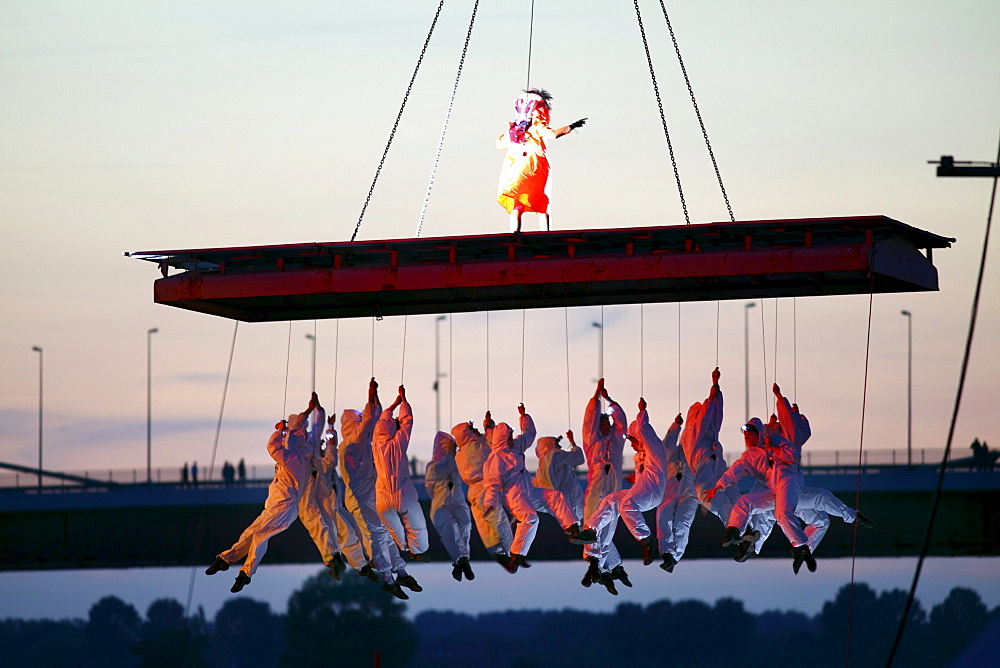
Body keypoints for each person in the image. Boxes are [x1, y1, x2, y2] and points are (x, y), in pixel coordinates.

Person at [206, 397, 317, 592]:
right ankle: (225, 559)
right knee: (251, 533)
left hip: (284, 504)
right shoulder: (299, 454)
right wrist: (304, 415)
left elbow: (273, 447)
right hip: (274, 503)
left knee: (259, 536)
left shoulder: (295, 459)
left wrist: (281, 429)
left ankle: (245, 574)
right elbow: (291, 438)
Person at [579, 398, 668, 595]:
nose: (632, 444)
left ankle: (645, 539)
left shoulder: (653, 447)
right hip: (635, 489)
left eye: (633, 440)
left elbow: (642, 429)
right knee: (610, 501)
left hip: (652, 492)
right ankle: (593, 536)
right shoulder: (639, 455)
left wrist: (641, 411)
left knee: (626, 504)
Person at [705, 417, 816, 574]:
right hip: (768, 488)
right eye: (746, 435)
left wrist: (791, 414)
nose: (748, 438)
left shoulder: (776, 441)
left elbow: (797, 441)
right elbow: (734, 470)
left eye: (751, 434)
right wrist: (718, 486)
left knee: (789, 515)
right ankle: (739, 534)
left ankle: (801, 549)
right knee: (749, 505)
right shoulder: (750, 456)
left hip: (790, 485)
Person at [339, 378, 417, 600]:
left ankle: (400, 572)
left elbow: (373, 421)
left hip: (371, 498)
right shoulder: (351, 445)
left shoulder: (361, 444)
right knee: (378, 536)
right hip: (360, 501)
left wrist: (390, 406)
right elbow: (370, 421)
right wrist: (371, 394)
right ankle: (388, 579)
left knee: (387, 535)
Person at [496, 88, 586, 232]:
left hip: (515, 170)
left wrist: (506, 133)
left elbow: (499, 144)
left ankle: (515, 233)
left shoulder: (515, 130)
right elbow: (553, 134)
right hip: (535, 167)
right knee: (542, 203)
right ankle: (545, 233)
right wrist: (571, 126)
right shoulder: (537, 127)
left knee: (518, 204)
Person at [372, 385, 430, 565]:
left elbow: (383, 422)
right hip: (401, 492)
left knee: (394, 528)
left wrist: (393, 405)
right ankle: (418, 551)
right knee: (416, 524)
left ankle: (403, 547)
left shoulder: (376, 442)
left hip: (382, 497)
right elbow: (407, 421)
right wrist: (403, 401)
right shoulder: (398, 443)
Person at [579, 379, 628, 588]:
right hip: (598, 483)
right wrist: (596, 397)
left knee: (609, 526)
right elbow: (588, 420)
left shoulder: (617, 441)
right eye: (603, 422)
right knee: (591, 522)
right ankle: (597, 564)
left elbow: (622, 423)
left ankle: (596, 566)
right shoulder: (592, 442)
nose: (607, 425)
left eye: (608, 422)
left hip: (614, 486)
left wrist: (610, 401)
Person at [483, 404, 538, 573]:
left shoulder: (517, 445)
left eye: (512, 434)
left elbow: (530, 434)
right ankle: (515, 555)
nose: (511, 438)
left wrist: (523, 416)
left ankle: (572, 527)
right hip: (513, 494)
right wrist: (490, 503)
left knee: (554, 498)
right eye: (508, 435)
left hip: (527, 488)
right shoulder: (496, 458)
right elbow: (491, 483)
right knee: (530, 518)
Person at [452, 413, 514, 561]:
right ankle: (513, 552)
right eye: (471, 429)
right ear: (467, 434)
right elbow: (494, 445)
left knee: (485, 525)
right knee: (500, 520)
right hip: (485, 488)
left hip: (473, 492)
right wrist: (490, 427)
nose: (476, 430)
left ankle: (498, 551)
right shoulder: (475, 446)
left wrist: (486, 429)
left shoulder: (460, 453)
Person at [320, 413, 374, 579]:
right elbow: (329, 461)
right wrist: (330, 442)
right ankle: (361, 566)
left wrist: (330, 428)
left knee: (360, 530)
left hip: (339, 506)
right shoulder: (314, 464)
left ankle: (371, 559)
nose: (324, 446)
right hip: (330, 509)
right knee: (348, 536)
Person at [425, 431, 474, 581]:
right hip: (441, 502)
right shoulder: (433, 466)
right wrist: (450, 453)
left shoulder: (456, 461)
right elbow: (445, 467)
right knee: (450, 529)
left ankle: (461, 561)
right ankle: (460, 559)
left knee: (465, 525)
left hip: (458, 500)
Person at [655, 412, 697, 573]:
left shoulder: (696, 450)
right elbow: (666, 446)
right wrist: (676, 425)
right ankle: (666, 553)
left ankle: (674, 556)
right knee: (663, 518)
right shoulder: (670, 452)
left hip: (689, 489)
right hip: (670, 486)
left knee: (682, 523)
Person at [533, 431, 587, 539]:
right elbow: (579, 458)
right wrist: (573, 443)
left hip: (558, 507)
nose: (560, 446)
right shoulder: (555, 455)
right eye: (557, 444)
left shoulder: (541, 468)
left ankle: (575, 532)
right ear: (549, 445)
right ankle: (578, 533)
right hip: (571, 500)